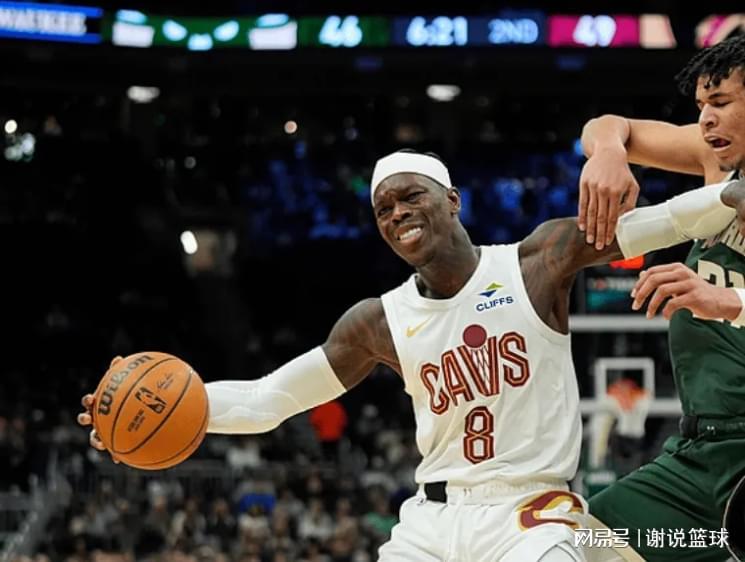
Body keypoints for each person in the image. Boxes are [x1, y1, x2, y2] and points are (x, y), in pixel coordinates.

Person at [79, 148, 744, 561]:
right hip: (431, 521)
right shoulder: (378, 321)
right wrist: (157, 416)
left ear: (451, 201)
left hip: (531, 515)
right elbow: (266, 399)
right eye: (383, 209)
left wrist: (726, 196)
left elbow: (665, 221)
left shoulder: (536, 262)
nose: (396, 213)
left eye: (410, 196)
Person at [578, 34, 745, 561]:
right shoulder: (716, 161)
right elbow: (610, 125)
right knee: (584, 543)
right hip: (698, 453)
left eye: (721, 103)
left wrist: (728, 301)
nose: (706, 119)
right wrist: (609, 153)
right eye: (701, 106)